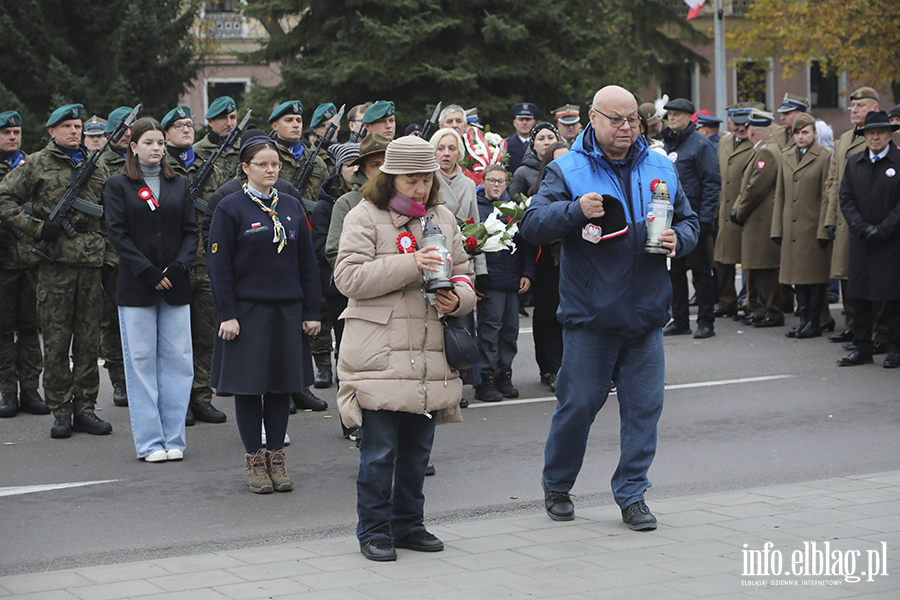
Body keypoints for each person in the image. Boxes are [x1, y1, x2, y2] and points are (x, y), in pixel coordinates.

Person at [520, 85, 698, 530]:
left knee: (644, 409)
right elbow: (533, 225)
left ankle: (633, 493)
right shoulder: (566, 168)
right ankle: (558, 485)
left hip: (646, 317)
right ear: (593, 120)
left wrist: (683, 238)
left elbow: (689, 219)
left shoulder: (660, 164)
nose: (626, 127)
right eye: (616, 119)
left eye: (633, 119)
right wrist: (576, 210)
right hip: (591, 316)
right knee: (577, 406)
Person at [334, 136, 476, 561]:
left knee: (417, 452)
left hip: (427, 354)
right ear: (390, 178)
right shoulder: (363, 216)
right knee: (379, 453)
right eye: (412, 180)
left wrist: (459, 298)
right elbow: (348, 279)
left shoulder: (442, 216)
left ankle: (409, 524)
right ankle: (374, 531)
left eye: (426, 179)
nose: (421, 189)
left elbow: (465, 275)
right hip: (379, 353)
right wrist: (410, 264)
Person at [207, 134, 322, 493]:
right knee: (248, 388)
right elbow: (218, 265)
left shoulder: (291, 205)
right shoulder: (230, 208)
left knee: (279, 387)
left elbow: (307, 263)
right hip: (248, 312)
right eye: (262, 164)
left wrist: (311, 311)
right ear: (245, 168)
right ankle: (255, 461)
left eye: (275, 164)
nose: (271, 170)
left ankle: (276, 457)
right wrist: (228, 313)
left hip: (287, 311)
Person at [0, 104, 113, 438]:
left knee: (89, 345)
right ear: (51, 131)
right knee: (57, 343)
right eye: (67, 126)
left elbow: (109, 214)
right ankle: (61, 411)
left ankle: (86, 409)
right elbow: (4, 199)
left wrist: (106, 255)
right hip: (54, 268)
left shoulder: (97, 164)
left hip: (91, 267)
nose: (75, 132)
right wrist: (36, 228)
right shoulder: (36, 163)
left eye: (78, 126)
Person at [104, 117, 198, 461]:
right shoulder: (118, 184)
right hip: (137, 286)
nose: (156, 148)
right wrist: (147, 271)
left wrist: (176, 268)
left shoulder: (180, 184)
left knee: (178, 361)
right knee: (141, 362)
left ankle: (174, 439)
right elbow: (117, 233)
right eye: (149, 143)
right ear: (133, 147)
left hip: (175, 283)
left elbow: (191, 232)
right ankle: (149, 442)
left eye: (160, 142)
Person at [161, 104, 229, 425]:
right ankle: (179, 400)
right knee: (176, 337)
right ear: (165, 134)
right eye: (179, 125)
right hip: (175, 263)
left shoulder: (210, 165)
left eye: (190, 124)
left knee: (206, 334)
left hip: (208, 260)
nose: (187, 129)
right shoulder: (159, 167)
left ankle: (202, 396)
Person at [824, 87, 900, 349]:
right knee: (856, 287)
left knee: (888, 291)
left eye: (880, 132)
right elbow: (841, 192)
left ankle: (888, 342)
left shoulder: (896, 154)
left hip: (888, 235)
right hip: (857, 232)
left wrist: (883, 229)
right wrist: (851, 224)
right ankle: (859, 339)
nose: (875, 137)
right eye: (870, 133)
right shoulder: (850, 151)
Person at [0, 110, 49, 418]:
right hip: (2, 262)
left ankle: (30, 390)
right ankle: (7, 391)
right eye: (6, 133)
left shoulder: (31, 166)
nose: (13, 137)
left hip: (31, 260)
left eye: (16, 132)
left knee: (30, 328)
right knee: (3, 329)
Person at [473, 164, 535, 402]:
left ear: (506, 184)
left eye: (501, 181)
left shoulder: (514, 209)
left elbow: (527, 246)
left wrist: (528, 274)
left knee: (510, 331)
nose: (496, 185)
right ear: (483, 181)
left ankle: (504, 374)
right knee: (489, 331)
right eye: (492, 180)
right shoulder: (477, 208)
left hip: (513, 279)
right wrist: (476, 279)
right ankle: (485, 378)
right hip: (490, 281)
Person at [661, 98, 721, 339]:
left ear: (689, 117)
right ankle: (681, 319)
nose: (672, 118)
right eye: (669, 114)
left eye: (676, 114)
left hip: (693, 218)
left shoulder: (700, 144)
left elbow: (711, 182)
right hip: (669, 218)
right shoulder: (666, 143)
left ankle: (706, 321)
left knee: (700, 272)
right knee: (674, 272)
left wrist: (706, 217)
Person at [772, 112, 834, 339]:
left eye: (805, 132)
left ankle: (815, 322)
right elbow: (780, 195)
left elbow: (827, 196)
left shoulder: (825, 157)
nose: (800, 137)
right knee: (798, 279)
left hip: (812, 227)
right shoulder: (786, 155)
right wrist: (777, 228)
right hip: (791, 228)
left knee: (814, 279)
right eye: (796, 133)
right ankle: (804, 320)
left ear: (815, 133)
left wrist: (824, 228)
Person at [311, 142, 360, 392]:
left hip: (369, 282)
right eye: (351, 165)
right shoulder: (325, 206)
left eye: (360, 164)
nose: (356, 170)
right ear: (340, 169)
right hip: (338, 284)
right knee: (346, 347)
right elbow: (321, 248)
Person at [731, 109, 784, 328]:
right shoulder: (764, 148)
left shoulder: (767, 152)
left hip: (761, 217)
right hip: (758, 217)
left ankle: (772, 311)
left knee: (766, 267)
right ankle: (762, 308)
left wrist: (739, 211)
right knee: (759, 266)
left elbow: (755, 188)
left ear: (752, 130)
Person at [98, 106, 134, 408]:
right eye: (122, 127)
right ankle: (119, 379)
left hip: (145, 254)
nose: (127, 132)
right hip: (112, 254)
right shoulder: (99, 165)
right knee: (111, 321)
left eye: (132, 127)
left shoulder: (146, 162)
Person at [527, 141, 569, 392]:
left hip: (575, 260)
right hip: (546, 262)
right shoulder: (538, 192)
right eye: (556, 160)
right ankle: (552, 369)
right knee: (549, 315)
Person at [324, 133, 389, 269]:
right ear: (363, 169)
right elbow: (333, 250)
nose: (382, 170)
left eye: (386, 163)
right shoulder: (346, 203)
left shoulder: (406, 198)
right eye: (375, 165)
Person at [714, 107, 754, 318]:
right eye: (737, 124)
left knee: (748, 258)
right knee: (723, 258)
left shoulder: (755, 145)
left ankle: (750, 300)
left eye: (745, 124)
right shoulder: (724, 142)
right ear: (730, 123)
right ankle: (726, 301)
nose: (741, 128)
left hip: (747, 209)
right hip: (724, 208)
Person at [268, 100, 328, 209]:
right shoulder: (268, 159)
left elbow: (327, 200)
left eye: (299, 120)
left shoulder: (317, 162)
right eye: (289, 120)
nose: (296, 125)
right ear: (275, 126)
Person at [193, 96, 240, 180]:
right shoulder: (197, 151)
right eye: (223, 118)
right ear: (210, 122)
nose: (229, 123)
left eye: (232, 117)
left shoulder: (245, 148)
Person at [508, 122, 560, 199]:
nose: (546, 142)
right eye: (541, 139)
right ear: (533, 145)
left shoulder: (566, 167)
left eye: (551, 138)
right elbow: (514, 202)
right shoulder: (522, 172)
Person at [505, 102, 538, 173]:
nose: (524, 123)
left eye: (528, 119)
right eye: (521, 119)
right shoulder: (505, 145)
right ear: (514, 123)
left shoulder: (540, 144)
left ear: (534, 122)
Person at [310, 103, 340, 173]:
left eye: (332, 125)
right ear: (315, 129)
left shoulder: (345, 152)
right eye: (322, 126)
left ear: (338, 125)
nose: (328, 129)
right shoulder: (310, 157)